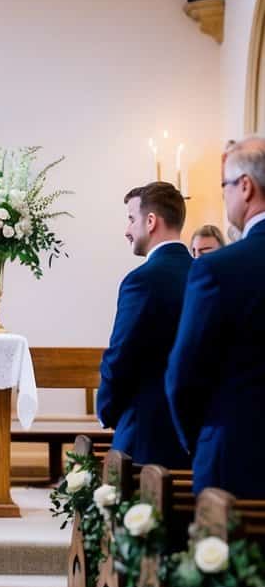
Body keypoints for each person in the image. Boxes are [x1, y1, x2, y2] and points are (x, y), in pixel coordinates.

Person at [166, 136, 265, 495]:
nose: (223, 195)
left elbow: (184, 373)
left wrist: (202, 438)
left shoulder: (219, 269)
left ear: (246, 186)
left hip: (237, 456)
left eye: (224, 185)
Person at [96, 182, 190, 468]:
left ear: (151, 222)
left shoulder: (142, 280)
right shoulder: (204, 272)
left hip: (146, 429)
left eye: (131, 218)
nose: (127, 230)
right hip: (194, 431)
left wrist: (106, 409)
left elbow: (121, 354)